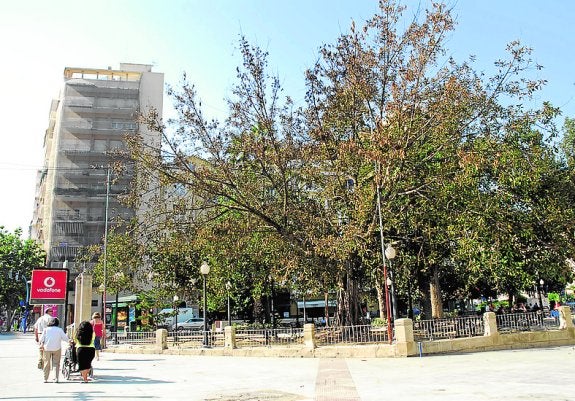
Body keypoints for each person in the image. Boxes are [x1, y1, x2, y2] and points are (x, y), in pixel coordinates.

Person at [38, 317, 70, 383]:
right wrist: (70, 342)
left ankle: (45, 378)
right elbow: (65, 338)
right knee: (56, 364)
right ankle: (56, 378)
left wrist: (41, 344)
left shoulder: (46, 330)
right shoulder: (60, 330)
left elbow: (41, 339)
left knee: (47, 363)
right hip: (57, 348)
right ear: (57, 323)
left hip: (47, 348)